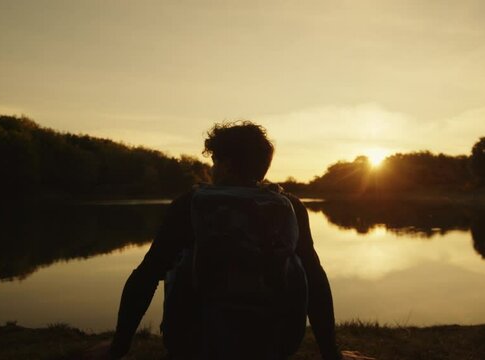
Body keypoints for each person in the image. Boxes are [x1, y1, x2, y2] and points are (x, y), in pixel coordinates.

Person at [90, 121, 343, 359]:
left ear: (226, 165)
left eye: (214, 160)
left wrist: (118, 347)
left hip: (194, 344)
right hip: (275, 344)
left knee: (175, 264)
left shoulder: (191, 203)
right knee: (302, 267)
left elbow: (145, 276)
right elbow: (315, 280)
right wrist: (332, 354)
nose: (212, 168)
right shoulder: (291, 207)